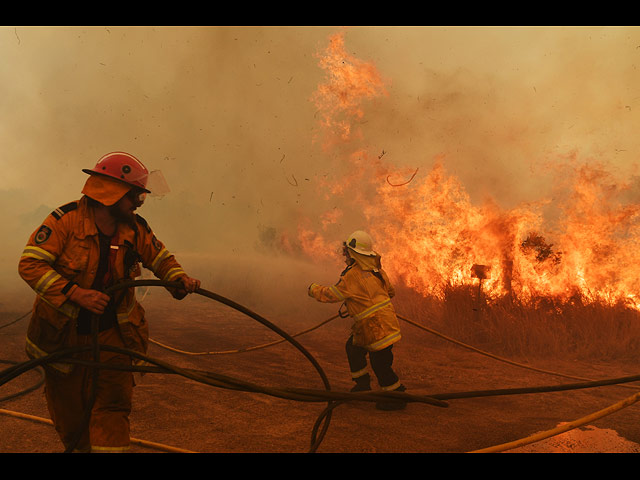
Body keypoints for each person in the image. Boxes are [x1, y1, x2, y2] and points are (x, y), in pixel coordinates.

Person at [18, 151, 201, 452]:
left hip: (115, 339)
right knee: (72, 421)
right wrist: (75, 294)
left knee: (113, 410)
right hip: (64, 341)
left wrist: (178, 279)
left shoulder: (135, 227)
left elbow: (160, 257)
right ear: (113, 195)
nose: (139, 204)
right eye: (135, 197)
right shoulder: (64, 222)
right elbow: (30, 264)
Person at [308, 230, 406, 410]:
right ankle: (362, 385)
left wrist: (313, 289)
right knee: (353, 348)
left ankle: (396, 396)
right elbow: (390, 292)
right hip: (381, 323)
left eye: (347, 252)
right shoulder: (377, 270)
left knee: (380, 364)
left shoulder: (352, 275)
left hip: (375, 328)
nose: (345, 255)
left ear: (354, 254)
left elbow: (332, 294)